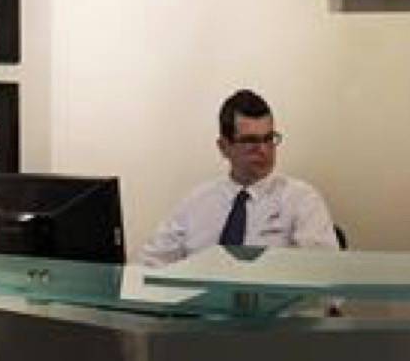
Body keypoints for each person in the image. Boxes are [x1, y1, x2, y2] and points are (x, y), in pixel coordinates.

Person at [140, 89, 339, 267]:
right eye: (250, 141)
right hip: (201, 306)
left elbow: (327, 279)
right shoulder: (197, 202)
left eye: (269, 139)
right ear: (224, 147)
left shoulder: (301, 200)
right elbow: (150, 264)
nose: (263, 150)